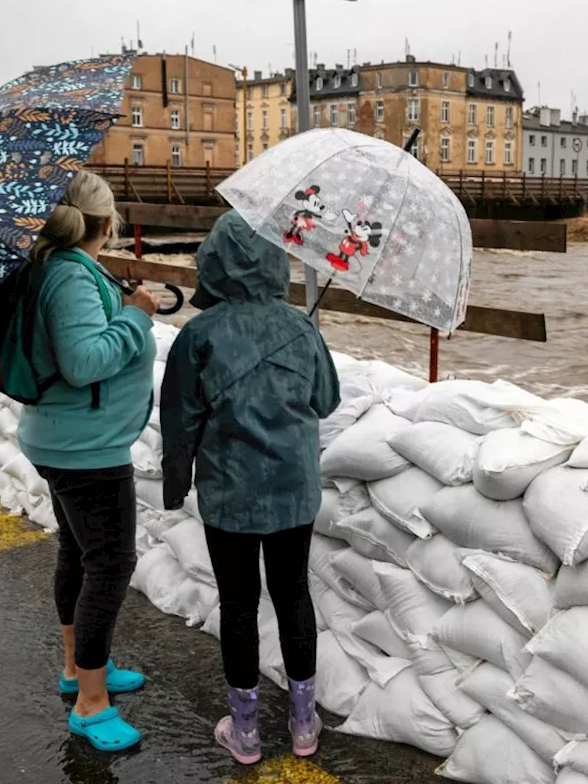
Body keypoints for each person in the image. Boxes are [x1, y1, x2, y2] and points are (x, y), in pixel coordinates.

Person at [161, 211, 340, 766]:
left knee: (238, 606)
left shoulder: (198, 336)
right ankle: (304, 723)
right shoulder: (301, 327)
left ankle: (245, 732)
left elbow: (179, 422)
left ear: (210, 265)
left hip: (229, 494)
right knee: (293, 597)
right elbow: (326, 401)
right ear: (272, 264)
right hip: (293, 492)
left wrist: (176, 485)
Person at [16, 170, 160, 752]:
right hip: (86, 449)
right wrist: (135, 317)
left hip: (64, 438)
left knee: (78, 553)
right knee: (110, 564)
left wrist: (121, 303)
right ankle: (92, 704)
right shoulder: (70, 275)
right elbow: (82, 362)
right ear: (105, 223)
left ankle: (79, 670)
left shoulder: (54, 266)